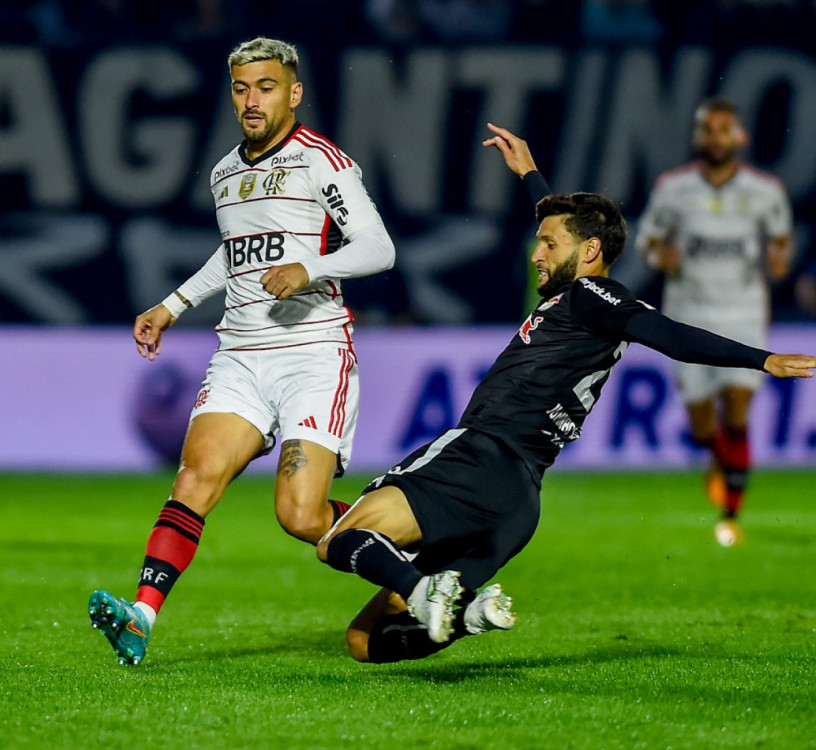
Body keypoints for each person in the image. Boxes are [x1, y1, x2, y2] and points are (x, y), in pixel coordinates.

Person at [310, 123, 815, 663]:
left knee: (337, 539)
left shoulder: (592, 296)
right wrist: (530, 175)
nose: (536, 255)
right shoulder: (582, 301)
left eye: (549, 244)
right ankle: (469, 615)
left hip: (480, 455)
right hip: (518, 501)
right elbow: (566, 227)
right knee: (365, 642)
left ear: (591, 251)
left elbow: (668, 334)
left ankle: (420, 591)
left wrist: (761, 359)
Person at [88, 37, 396, 665]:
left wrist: (309, 267)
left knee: (301, 516)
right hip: (241, 355)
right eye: (240, 88)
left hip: (312, 351)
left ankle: (412, 555)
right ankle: (141, 617)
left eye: (265, 87)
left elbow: (378, 247)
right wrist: (172, 305)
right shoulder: (225, 173)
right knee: (195, 476)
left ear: (294, 92)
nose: (251, 100)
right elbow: (233, 253)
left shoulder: (322, 162)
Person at [636, 98, 793, 546]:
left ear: (739, 137)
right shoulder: (673, 188)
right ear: (698, 136)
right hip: (689, 315)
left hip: (743, 311)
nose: (717, 137)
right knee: (704, 426)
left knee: (739, 410)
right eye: (710, 129)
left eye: (726, 130)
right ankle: (716, 458)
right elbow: (647, 242)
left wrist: (779, 259)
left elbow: (781, 241)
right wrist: (658, 255)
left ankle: (730, 515)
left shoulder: (766, 191)